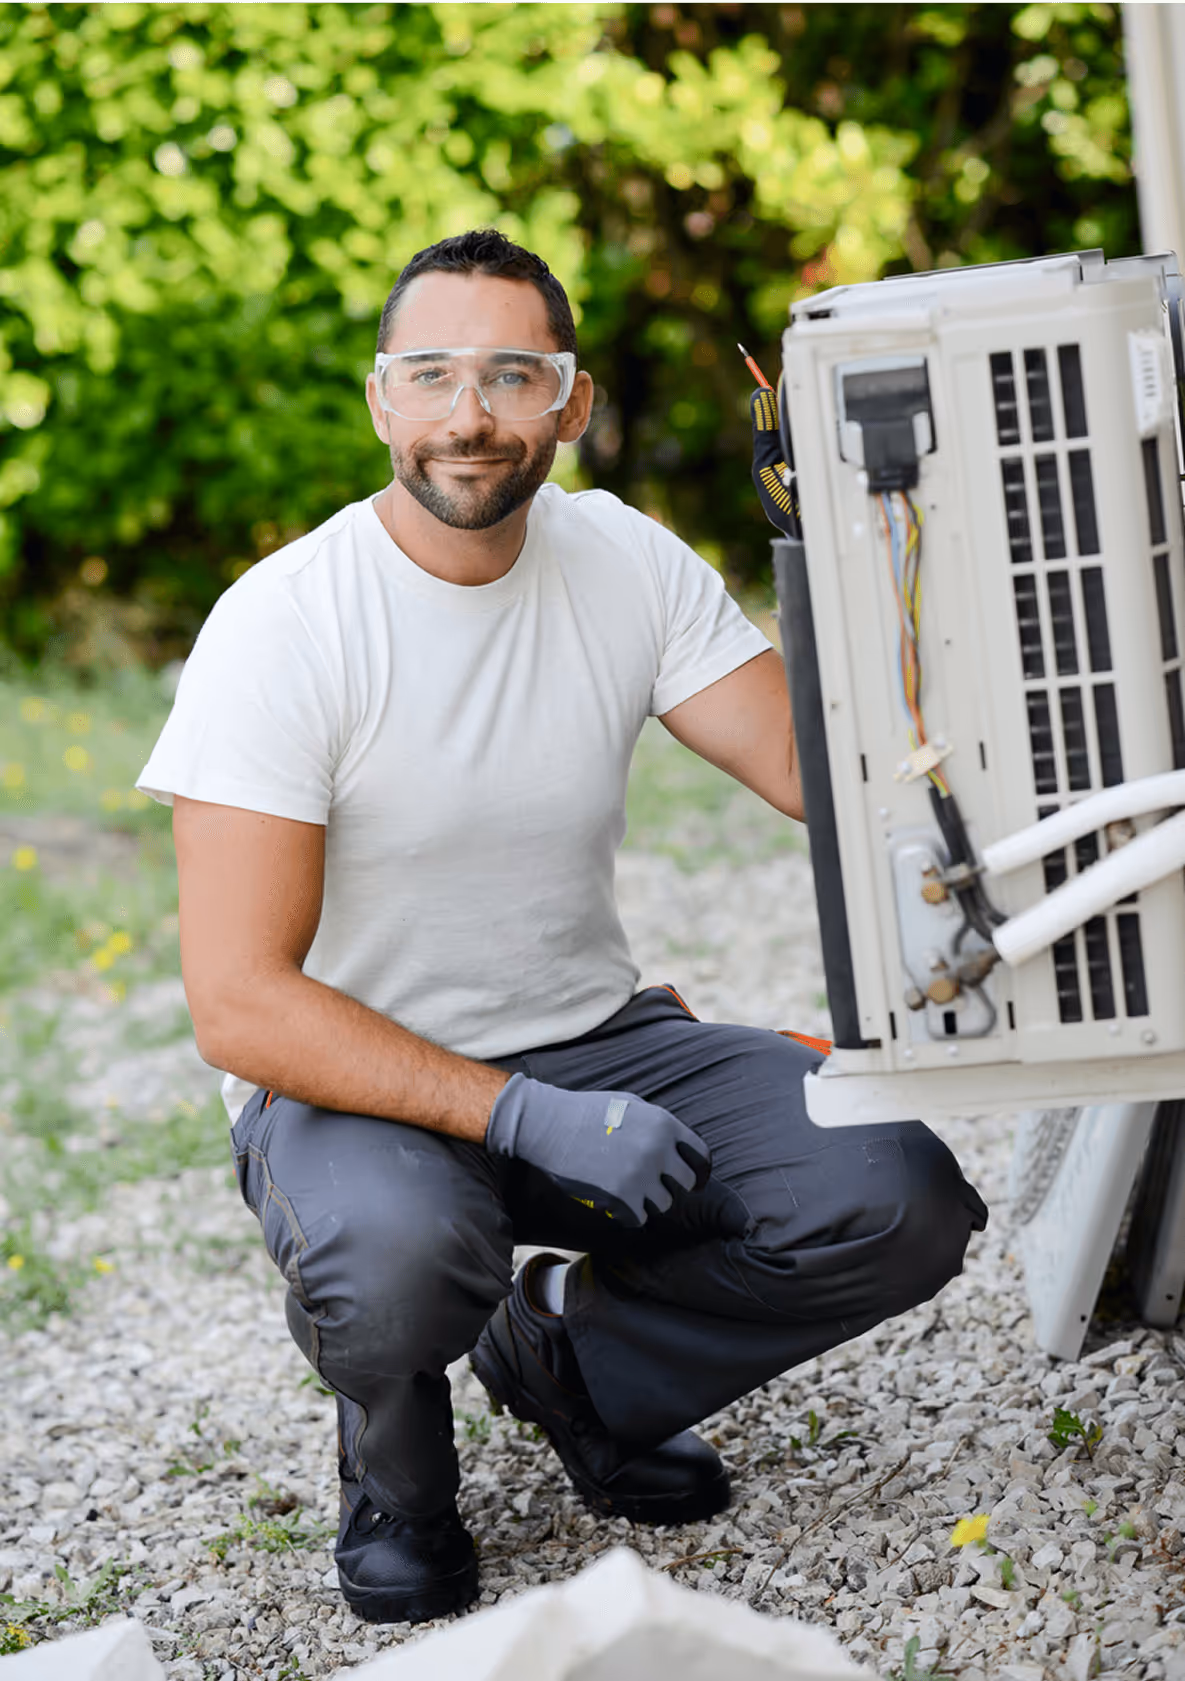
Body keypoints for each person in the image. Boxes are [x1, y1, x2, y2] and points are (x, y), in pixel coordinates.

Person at [138, 228, 988, 1627]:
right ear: (381, 403)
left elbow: (815, 775)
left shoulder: (622, 561)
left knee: (894, 1196)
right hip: (355, 1086)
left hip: (602, 1043)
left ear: (571, 405)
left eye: (512, 375)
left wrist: (856, 548)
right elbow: (240, 1004)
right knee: (399, 1256)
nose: (469, 414)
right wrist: (520, 1117)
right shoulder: (282, 626)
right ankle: (398, 1479)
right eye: (432, 375)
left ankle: (563, 1362)